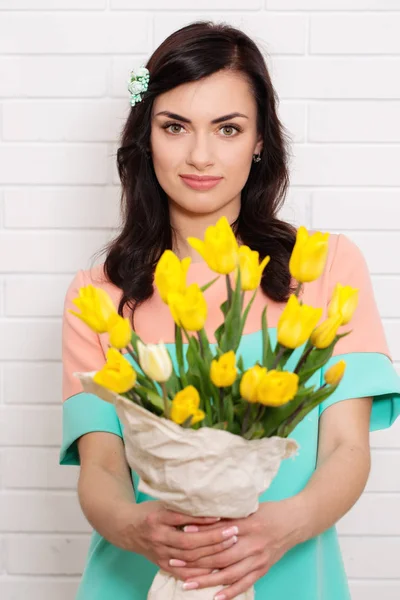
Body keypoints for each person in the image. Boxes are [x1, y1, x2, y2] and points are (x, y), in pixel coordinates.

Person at [59, 21, 400, 600]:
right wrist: (138, 530)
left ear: (260, 139)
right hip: (139, 580)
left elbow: (347, 448)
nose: (200, 155)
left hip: (290, 574)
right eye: (175, 127)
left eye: (227, 128)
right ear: (147, 136)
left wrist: (278, 531)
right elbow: (102, 469)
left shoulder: (323, 267)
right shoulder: (99, 295)